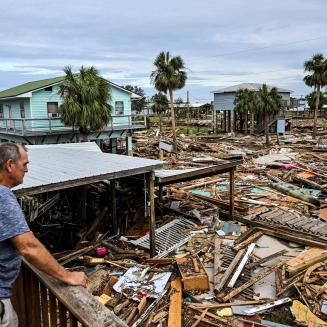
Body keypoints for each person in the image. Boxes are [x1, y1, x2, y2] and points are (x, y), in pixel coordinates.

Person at [0, 143, 87, 326]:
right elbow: (28, 247)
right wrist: (66, 276)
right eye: (24, 164)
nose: (27, 170)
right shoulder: (3, 197)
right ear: (9, 165)